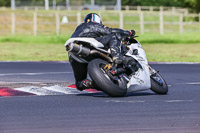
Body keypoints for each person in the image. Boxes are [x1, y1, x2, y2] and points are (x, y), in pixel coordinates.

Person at [69, 13, 136, 91]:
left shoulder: (78, 29)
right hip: (89, 44)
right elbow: (110, 31)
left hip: (74, 53)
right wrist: (128, 33)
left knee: (79, 83)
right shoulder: (92, 24)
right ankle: (117, 57)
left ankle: (89, 83)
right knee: (113, 36)